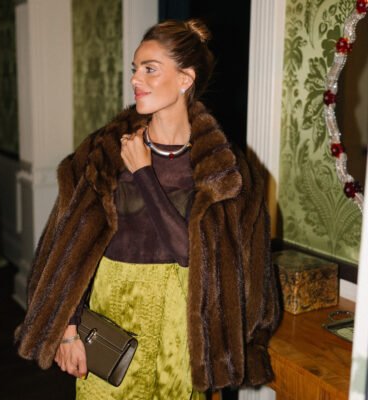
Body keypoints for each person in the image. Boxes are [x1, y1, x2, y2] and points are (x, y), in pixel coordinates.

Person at [15, 19, 280, 399]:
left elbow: (195, 255)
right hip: (111, 316)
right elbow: (67, 242)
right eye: (135, 68)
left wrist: (144, 173)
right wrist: (67, 330)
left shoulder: (224, 169)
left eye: (150, 69)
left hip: (182, 327)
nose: (136, 79)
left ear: (185, 79)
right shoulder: (105, 152)